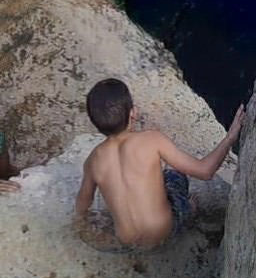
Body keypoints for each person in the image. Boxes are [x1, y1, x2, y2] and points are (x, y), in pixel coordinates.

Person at [74, 78, 244, 249]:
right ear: (133, 113)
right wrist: (230, 138)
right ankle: (190, 209)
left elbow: (83, 205)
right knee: (174, 175)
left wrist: (82, 225)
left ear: (97, 124)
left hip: (125, 245)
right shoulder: (152, 140)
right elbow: (205, 171)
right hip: (165, 233)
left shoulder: (93, 160)